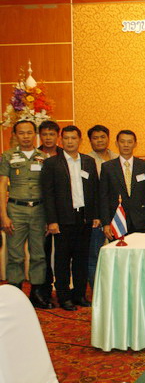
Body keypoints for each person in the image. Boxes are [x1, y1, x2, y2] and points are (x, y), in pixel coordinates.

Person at [41, 125, 100, 311]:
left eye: (73, 138)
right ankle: (64, 297)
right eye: (66, 138)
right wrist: (52, 220)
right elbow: (48, 194)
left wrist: (95, 215)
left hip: (84, 217)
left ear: (80, 140)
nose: (70, 141)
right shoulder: (52, 163)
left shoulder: (88, 161)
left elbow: (94, 190)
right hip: (62, 219)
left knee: (81, 259)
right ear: (61, 140)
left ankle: (79, 295)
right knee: (62, 260)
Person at [0, 120, 51, 308]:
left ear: (34, 134)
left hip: (39, 210)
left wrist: (49, 218)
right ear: (15, 135)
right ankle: (15, 293)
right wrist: (3, 216)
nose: (26, 136)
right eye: (21, 133)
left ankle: (36, 294)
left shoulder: (43, 157)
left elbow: (48, 188)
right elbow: (2, 186)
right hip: (16, 210)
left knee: (38, 254)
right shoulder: (7, 156)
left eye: (29, 132)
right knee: (15, 255)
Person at [100, 130, 145, 239]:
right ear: (116, 144)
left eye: (129, 142)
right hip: (116, 221)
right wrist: (106, 223)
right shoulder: (107, 167)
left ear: (135, 144)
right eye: (122, 141)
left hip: (140, 221)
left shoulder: (144, 166)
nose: (126, 145)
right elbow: (103, 197)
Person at [87, 124, 118, 289]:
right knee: (95, 255)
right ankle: (96, 291)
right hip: (97, 217)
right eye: (95, 138)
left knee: (117, 254)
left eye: (102, 137)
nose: (99, 140)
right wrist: (95, 215)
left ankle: (115, 289)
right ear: (90, 141)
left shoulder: (118, 158)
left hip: (118, 216)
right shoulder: (86, 161)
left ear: (108, 138)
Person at [37, 120, 63, 304]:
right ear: (40, 136)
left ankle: (63, 290)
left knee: (62, 254)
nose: (48, 138)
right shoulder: (34, 155)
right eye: (44, 134)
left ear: (57, 136)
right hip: (40, 212)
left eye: (51, 134)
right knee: (43, 253)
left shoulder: (65, 155)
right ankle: (44, 290)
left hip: (63, 212)